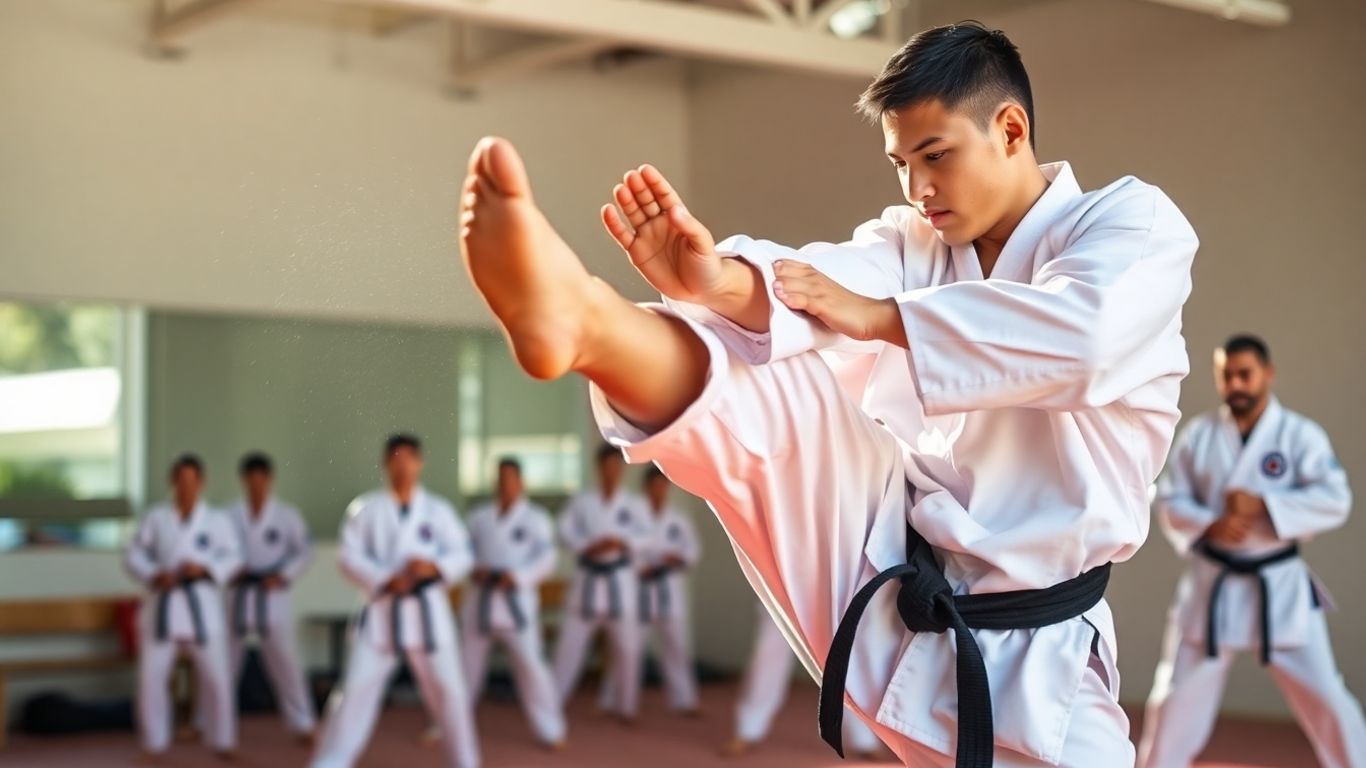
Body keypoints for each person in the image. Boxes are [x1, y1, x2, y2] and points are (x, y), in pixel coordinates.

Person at [458, 20, 1196, 766]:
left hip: (1040, 660)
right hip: (890, 577)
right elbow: (823, 283)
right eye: (900, 163)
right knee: (776, 385)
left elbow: (1086, 335)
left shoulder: (1130, 224)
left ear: (1010, 129)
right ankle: (590, 325)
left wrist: (882, 320)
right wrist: (714, 280)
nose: (919, 188)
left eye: (935, 156)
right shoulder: (914, 244)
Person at [1137, 335, 1366, 768]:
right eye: (1227, 375)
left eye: (1245, 374)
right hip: (1213, 587)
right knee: (1172, 704)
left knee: (1328, 699)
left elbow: (1336, 499)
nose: (1236, 384)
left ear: (1268, 374)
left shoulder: (1299, 435)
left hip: (1278, 585)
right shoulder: (1199, 437)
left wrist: (1263, 504)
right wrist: (1211, 523)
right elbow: (1167, 499)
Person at [312, 434, 479, 768]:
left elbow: (463, 555)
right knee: (355, 689)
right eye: (396, 460)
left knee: (450, 692)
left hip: (427, 615)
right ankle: (331, 761)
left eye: (410, 460)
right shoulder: (365, 509)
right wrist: (386, 577)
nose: (403, 467)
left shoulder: (438, 510)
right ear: (386, 463)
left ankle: (466, 762)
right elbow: (348, 557)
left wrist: (433, 566)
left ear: (419, 463)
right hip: (381, 616)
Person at [125, 454, 241, 760]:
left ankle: (223, 741)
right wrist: (153, 573)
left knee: (217, 678)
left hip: (201, 607)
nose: (186, 487)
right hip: (163, 606)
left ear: (201, 482)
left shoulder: (216, 520)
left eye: (192, 481)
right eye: (181, 481)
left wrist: (204, 568)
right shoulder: (155, 518)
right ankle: (154, 744)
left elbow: (234, 558)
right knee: (152, 679)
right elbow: (133, 554)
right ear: (172, 482)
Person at [460, 457, 567, 749]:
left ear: (520, 483)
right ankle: (448, 726)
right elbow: (462, 550)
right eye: (500, 479)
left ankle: (551, 730)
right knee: (465, 669)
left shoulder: (536, 518)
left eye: (510, 479)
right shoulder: (479, 517)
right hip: (480, 603)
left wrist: (517, 577)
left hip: (516, 605)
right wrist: (474, 567)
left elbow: (547, 560)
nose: (505, 485)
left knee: (532, 668)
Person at [552, 445, 650, 722]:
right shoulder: (582, 502)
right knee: (569, 647)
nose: (610, 473)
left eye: (615, 467)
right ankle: (553, 704)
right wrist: (587, 545)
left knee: (628, 649)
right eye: (605, 467)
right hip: (588, 581)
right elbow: (563, 530)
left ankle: (626, 706)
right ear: (598, 468)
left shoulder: (634, 504)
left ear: (621, 470)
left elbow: (648, 537)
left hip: (620, 582)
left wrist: (622, 542)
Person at [224, 451, 317, 742]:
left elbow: (304, 552)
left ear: (270, 480)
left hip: (272, 594)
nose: (256, 485)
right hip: (238, 594)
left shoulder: (287, 515)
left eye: (261, 479)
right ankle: (211, 723)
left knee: (286, 663)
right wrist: (230, 568)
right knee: (223, 664)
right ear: (243, 481)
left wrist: (284, 575)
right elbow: (215, 551)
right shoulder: (227, 515)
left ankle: (302, 723)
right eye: (251, 480)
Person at [722, 602, 883, 760]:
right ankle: (747, 729)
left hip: (837, 582)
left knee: (846, 655)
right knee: (769, 652)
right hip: (784, 580)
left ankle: (864, 737)